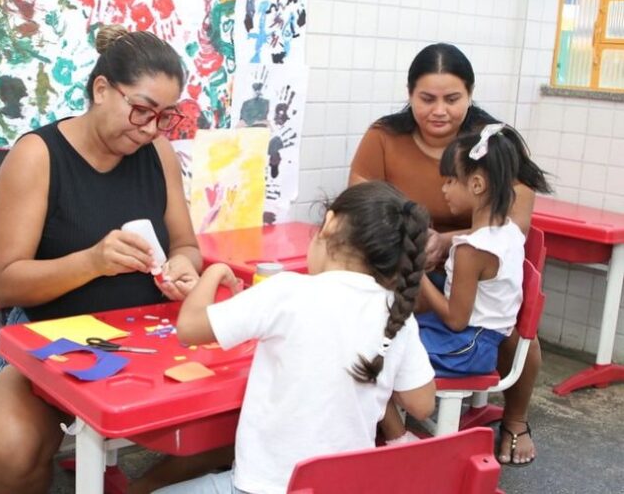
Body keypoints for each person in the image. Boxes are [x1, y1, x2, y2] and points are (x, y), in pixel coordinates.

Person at [0, 24, 224, 494]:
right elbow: (5, 283)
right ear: (101, 90)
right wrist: (92, 262)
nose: (151, 128)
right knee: (10, 453)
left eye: (165, 117)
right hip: (49, 337)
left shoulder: (158, 153)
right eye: (141, 111)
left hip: (150, 335)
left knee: (239, 419)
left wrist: (184, 267)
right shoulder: (38, 155)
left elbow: (186, 244)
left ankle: (136, 488)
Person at [155, 181, 437, 494]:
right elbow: (422, 405)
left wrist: (214, 271)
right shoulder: (398, 315)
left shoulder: (287, 291)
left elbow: (189, 327)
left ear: (330, 223)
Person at [349, 42, 547, 465]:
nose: (439, 110)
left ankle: (515, 421)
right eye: (427, 99)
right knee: (368, 321)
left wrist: (449, 241)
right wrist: (415, 247)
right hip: (406, 261)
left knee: (516, 334)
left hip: (475, 270)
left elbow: (517, 222)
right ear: (409, 94)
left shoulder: (494, 144)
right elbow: (359, 204)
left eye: (452, 99)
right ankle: (377, 419)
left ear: (471, 95)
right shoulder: (385, 136)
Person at [381, 124, 551, 453]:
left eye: (449, 180)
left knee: (381, 353)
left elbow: (456, 319)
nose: (443, 189)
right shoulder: (509, 233)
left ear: (476, 184)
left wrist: (416, 274)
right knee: (390, 334)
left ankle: (398, 440)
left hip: (466, 347)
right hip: (483, 340)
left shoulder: (471, 250)